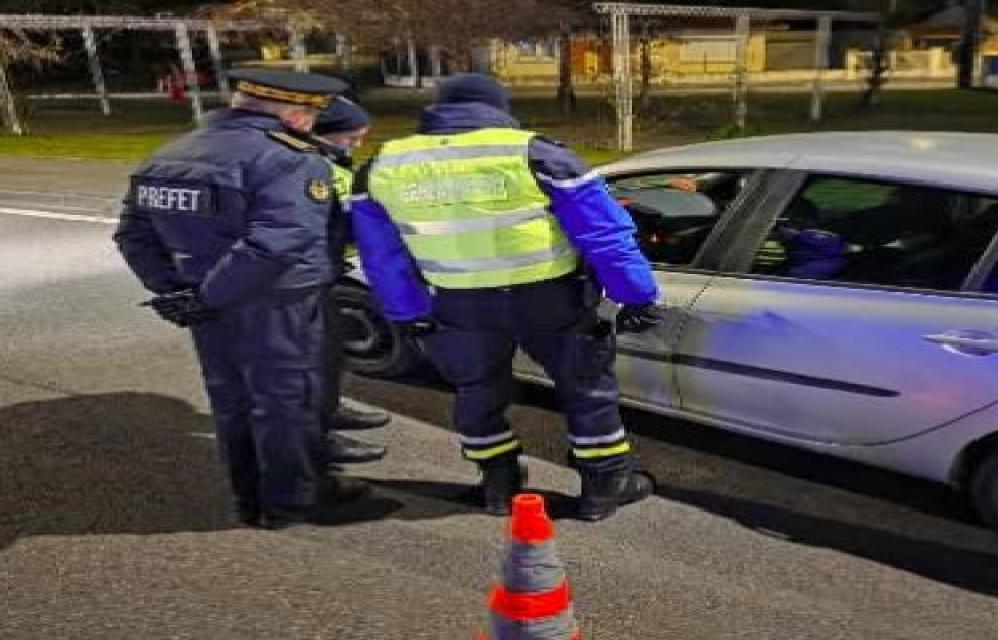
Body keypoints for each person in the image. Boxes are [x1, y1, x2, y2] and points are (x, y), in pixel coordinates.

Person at [352, 73, 663, 521]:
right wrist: (636, 295)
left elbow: (382, 255)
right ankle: (604, 488)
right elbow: (604, 234)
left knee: (476, 390)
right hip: (551, 299)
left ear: (438, 109)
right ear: (498, 106)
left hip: (459, 303)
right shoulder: (534, 152)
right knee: (586, 389)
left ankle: (499, 484)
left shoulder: (383, 164)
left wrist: (408, 311)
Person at [113, 69, 369, 529]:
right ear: (294, 113)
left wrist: (178, 292)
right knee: (286, 401)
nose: (310, 124)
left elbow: (133, 235)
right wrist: (208, 295)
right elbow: (277, 243)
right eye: (310, 114)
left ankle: (248, 497)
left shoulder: (170, 154)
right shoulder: (289, 159)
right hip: (277, 303)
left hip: (203, 302)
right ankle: (294, 499)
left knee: (231, 400)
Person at [307, 95, 391, 465]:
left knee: (327, 352)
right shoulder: (311, 169)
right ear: (323, 134)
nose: (357, 145)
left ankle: (328, 408)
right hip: (298, 281)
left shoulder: (330, 164)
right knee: (303, 363)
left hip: (321, 274)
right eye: (350, 138)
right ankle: (315, 439)